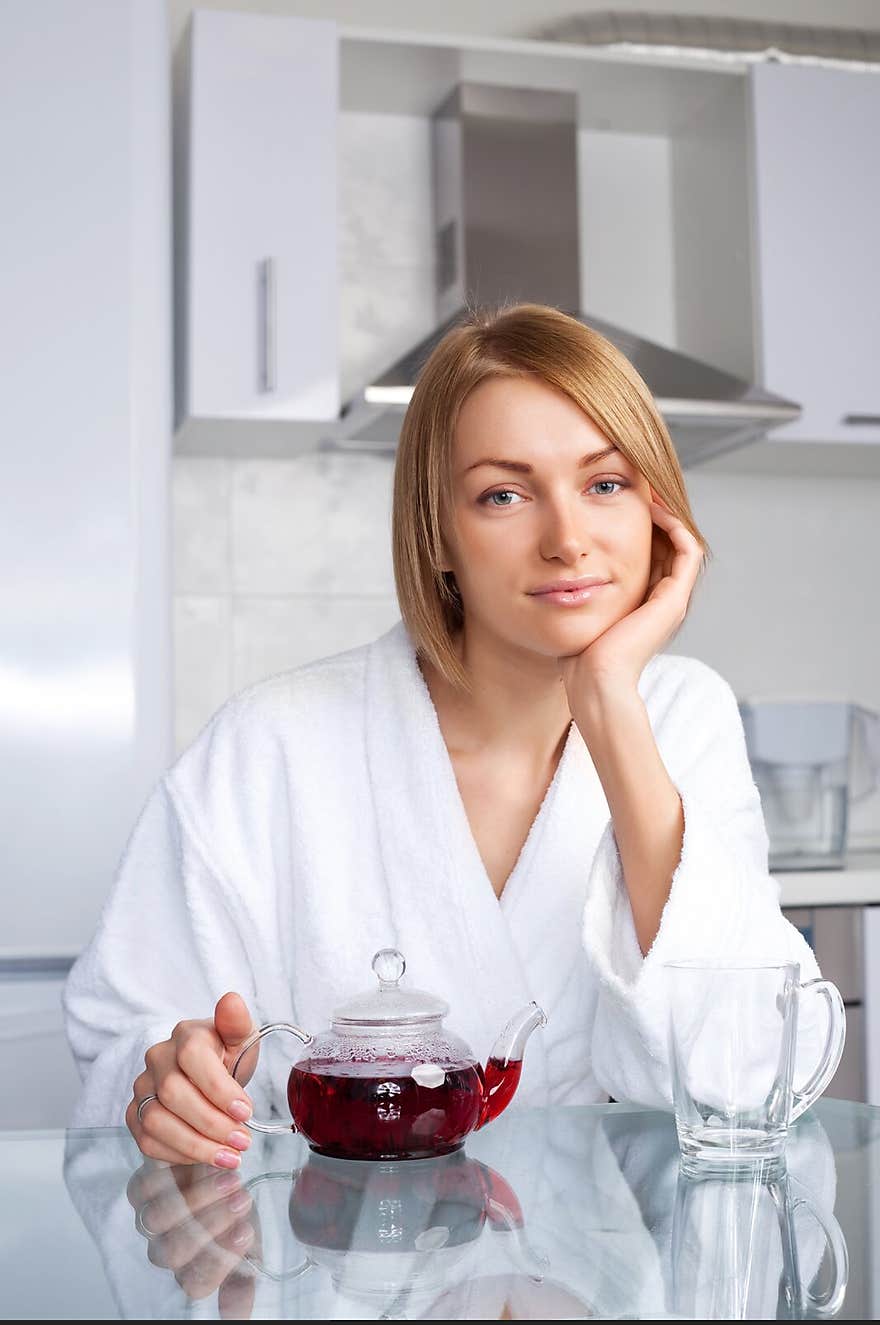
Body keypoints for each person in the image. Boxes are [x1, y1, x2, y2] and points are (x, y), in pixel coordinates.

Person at [62, 302, 826, 1170]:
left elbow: (744, 1070)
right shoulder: (271, 744)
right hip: (347, 1275)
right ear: (439, 536)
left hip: (618, 1285)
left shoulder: (685, 714)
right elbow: (126, 1032)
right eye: (504, 494)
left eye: (605, 483)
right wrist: (167, 1080)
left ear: (657, 511)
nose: (568, 540)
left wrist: (614, 714)